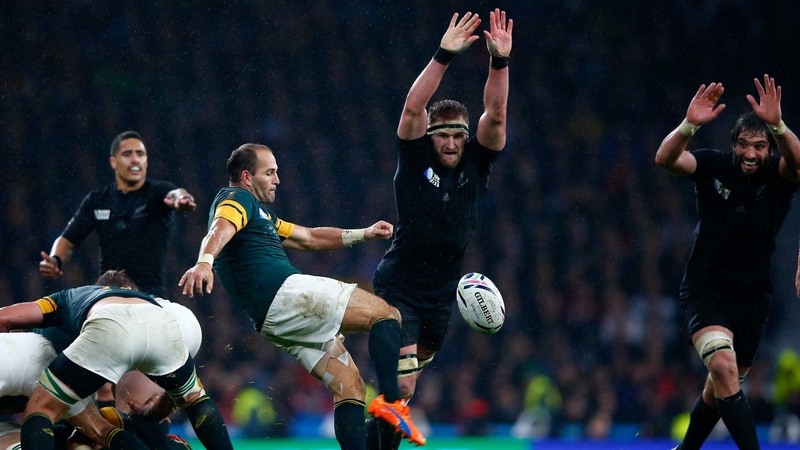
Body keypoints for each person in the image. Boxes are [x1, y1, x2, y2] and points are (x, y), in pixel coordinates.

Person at [179, 143, 425, 448]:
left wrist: (364, 233)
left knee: (350, 387)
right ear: (246, 177)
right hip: (285, 294)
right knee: (386, 314)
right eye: (270, 172)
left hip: (272, 319)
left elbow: (309, 237)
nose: (277, 180)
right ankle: (392, 403)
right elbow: (220, 228)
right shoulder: (236, 198)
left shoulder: (261, 215)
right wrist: (205, 262)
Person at [368, 9, 512, 449]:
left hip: (441, 295)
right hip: (400, 286)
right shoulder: (414, 160)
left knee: (400, 392)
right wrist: (443, 55)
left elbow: (496, 115)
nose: (450, 143)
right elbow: (413, 107)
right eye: (442, 135)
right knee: (404, 386)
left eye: (457, 136)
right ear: (430, 136)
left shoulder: (477, 164)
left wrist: (499, 62)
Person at [654, 75, 800, 450]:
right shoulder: (714, 166)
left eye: (759, 146)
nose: (750, 154)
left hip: (752, 300)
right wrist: (688, 125)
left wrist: (779, 125)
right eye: (743, 145)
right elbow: (666, 159)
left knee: (719, 386)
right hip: (706, 291)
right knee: (722, 366)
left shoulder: (779, 176)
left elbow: (798, 160)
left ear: (770, 149)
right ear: (733, 145)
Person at [0, 270, 233, 450]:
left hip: (109, 326)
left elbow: (5, 317)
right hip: (165, 323)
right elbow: (172, 396)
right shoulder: (143, 298)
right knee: (194, 399)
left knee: (43, 409)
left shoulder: (72, 296)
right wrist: (153, 414)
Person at [39, 130, 197, 298]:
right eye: (127, 154)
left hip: (150, 296)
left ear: (146, 160)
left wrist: (183, 199)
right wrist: (55, 260)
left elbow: (176, 193)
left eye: (140, 154)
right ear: (113, 162)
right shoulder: (98, 200)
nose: (135, 159)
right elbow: (68, 239)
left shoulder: (158, 192)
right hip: (108, 295)